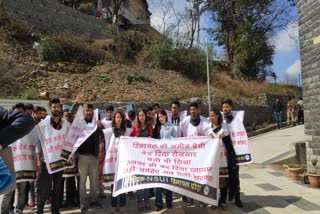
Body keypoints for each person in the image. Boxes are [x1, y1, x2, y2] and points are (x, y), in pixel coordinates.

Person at [1, 106, 39, 214]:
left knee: (22, 193)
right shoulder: (5, 127)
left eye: (21, 113)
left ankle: (19, 211)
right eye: (16, 113)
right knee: (8, 193)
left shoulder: (29, 127)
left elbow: (36, 143)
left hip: (24, 165)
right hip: (10, 165)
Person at [36, 98, 70, 214]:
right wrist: (39, 160)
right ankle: (39, 211)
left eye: (58, 107)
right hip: (47, 162)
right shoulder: (43, 125)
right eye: (54, 107)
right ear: (50, 108)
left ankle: (55, 210)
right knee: (43, 189)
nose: (56, 109)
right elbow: (38, 143)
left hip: (60, 162)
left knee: (57, 188)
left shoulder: (65, 124)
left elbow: (71, 138)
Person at [75, 103, 103, 213]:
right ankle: (83, 203)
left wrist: (100, 127)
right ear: (84, 111)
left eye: (90, 110)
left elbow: (102, 136)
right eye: (87, 110)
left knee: (94, 181)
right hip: (82, 156)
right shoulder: (80, 123)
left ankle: (93, 200)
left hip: (94, 156)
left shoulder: (96, 123)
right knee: (82, 182)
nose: (89, 112)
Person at [180, 102, 209, 206]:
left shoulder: (205, 122)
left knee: (202, 178)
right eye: (191, 110)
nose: (193, 112)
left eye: (194, 110)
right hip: (190, 156)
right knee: (191, 178)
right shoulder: (184, 122)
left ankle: (202, 199)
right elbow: (181, 137)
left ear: (198, 110)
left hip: (202, 157)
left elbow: (210, 134)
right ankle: (191, 198)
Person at [103, 110, 132, 214]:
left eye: (120, 117)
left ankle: (123, 205)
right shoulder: (109, 131)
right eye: (117, 117)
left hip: (123, 163)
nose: (118, 119)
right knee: (113, 186)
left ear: (123, 119)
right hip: (112, 163)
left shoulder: (127, 131)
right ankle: (114, 205)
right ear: (114, 119)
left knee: (122, 185)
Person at [208, 109, 237, 210]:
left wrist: (222, 137)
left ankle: (223, 201)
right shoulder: (209, 129)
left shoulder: (223, 129)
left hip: (223, 160)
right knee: (213, 182)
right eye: (210, 116)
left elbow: (227, 139)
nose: (211, 118)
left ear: (217, 116)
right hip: (213, 161)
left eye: (212, 115)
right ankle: (214, 201)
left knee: (223, 182)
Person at [222, 99, 243, 208]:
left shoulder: (237, 120)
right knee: (224, 177)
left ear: (231, 107)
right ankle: (223, 199)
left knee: (235, 177)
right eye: (223, 107)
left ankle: (237, 198)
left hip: (234, 153)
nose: (225, 109)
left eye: (227, 106)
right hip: (223, 154)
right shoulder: (220, 120)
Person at [153, 110, 176, 211]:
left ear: (166, 116)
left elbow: (175, 141)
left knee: (168, 181)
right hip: (159, 158)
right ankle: (158, 202)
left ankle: (169, 202)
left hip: (169, 158)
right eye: (159, 117)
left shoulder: (172, 127)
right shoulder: (157, 127)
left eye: (161, 116)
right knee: (158, 182)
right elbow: (153, 141)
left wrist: (167, 141)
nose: (160, 119)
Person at [131, 109, 153, 211]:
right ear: (137, 117)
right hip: (138, 158)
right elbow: (130, 142)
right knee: (139, 180)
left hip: (148, 158)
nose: (141, 117)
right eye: (139, 115)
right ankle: (139, 200)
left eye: (143, 115)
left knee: (147, 180)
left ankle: (146, 200)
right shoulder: (135, 128)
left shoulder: (149, 127)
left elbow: (153, 141)